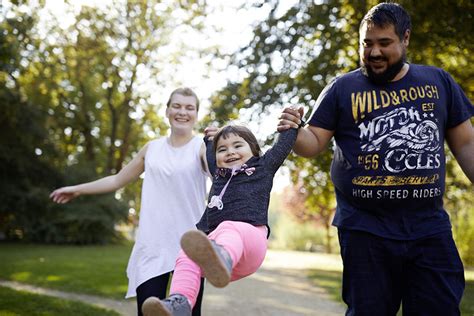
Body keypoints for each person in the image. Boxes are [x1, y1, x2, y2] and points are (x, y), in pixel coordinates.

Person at [278, 3, 474, 316]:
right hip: (364, 229)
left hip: (428, 228)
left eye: (384, 43)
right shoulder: (343, 88)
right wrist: (294, 129)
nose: (374, 53)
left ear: (405, 39)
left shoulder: (438, 83)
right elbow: (312, 143)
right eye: (367, 44)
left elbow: (466, 145)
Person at [50, 87, 210, 316]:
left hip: (189, 248)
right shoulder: (152, 149)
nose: (182, 112)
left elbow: (222, 172)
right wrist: (77, 190)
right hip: (152, 247)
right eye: (176, 106)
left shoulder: (202, 147)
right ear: (167, 111)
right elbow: (117, 180)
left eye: (189, 107)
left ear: (196, 114)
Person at [140, 124, 299, 316]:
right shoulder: (218, 175)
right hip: (217, 252)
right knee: (186, 255)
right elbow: (210, 151)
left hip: (250, 242)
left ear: (254, 150)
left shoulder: (262, 167)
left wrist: (292, 124)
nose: (230, 152)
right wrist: (209, 139)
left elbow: (282, 146)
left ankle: (222, 255)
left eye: (237, 146)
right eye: (222, 149)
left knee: (229, 227)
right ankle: (180, 302)